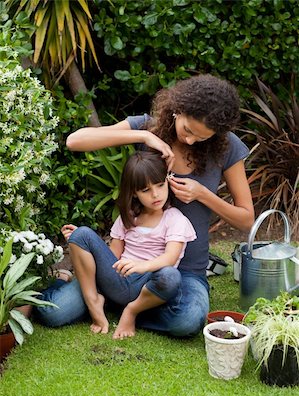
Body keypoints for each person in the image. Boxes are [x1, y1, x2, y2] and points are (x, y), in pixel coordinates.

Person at [37, 73, 254, 337]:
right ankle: (97, 291)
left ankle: (125, 305)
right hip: (127, 267)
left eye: (202, 137)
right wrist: (144, 136)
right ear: (178, 110)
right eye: (188, 130)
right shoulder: (146, 127)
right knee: (53, 312)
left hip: (182, 273)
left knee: (188, 320)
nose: (190, 141)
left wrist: (203, 195)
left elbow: (246, 220)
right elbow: (75, 140)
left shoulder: (227, 147)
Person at [37, 151, 196, 339]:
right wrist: (79, 241)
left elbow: (170, 258)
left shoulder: (175, 219)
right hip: (117, 281)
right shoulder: (128, 217)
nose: (155, 194)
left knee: (170, 276)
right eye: (145, 190)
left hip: (147, 285)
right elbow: (113, 255)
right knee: (50, 313)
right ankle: (90, 300)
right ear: (134, 193)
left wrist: (141, 266)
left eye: (161, 185)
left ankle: (131, 311)